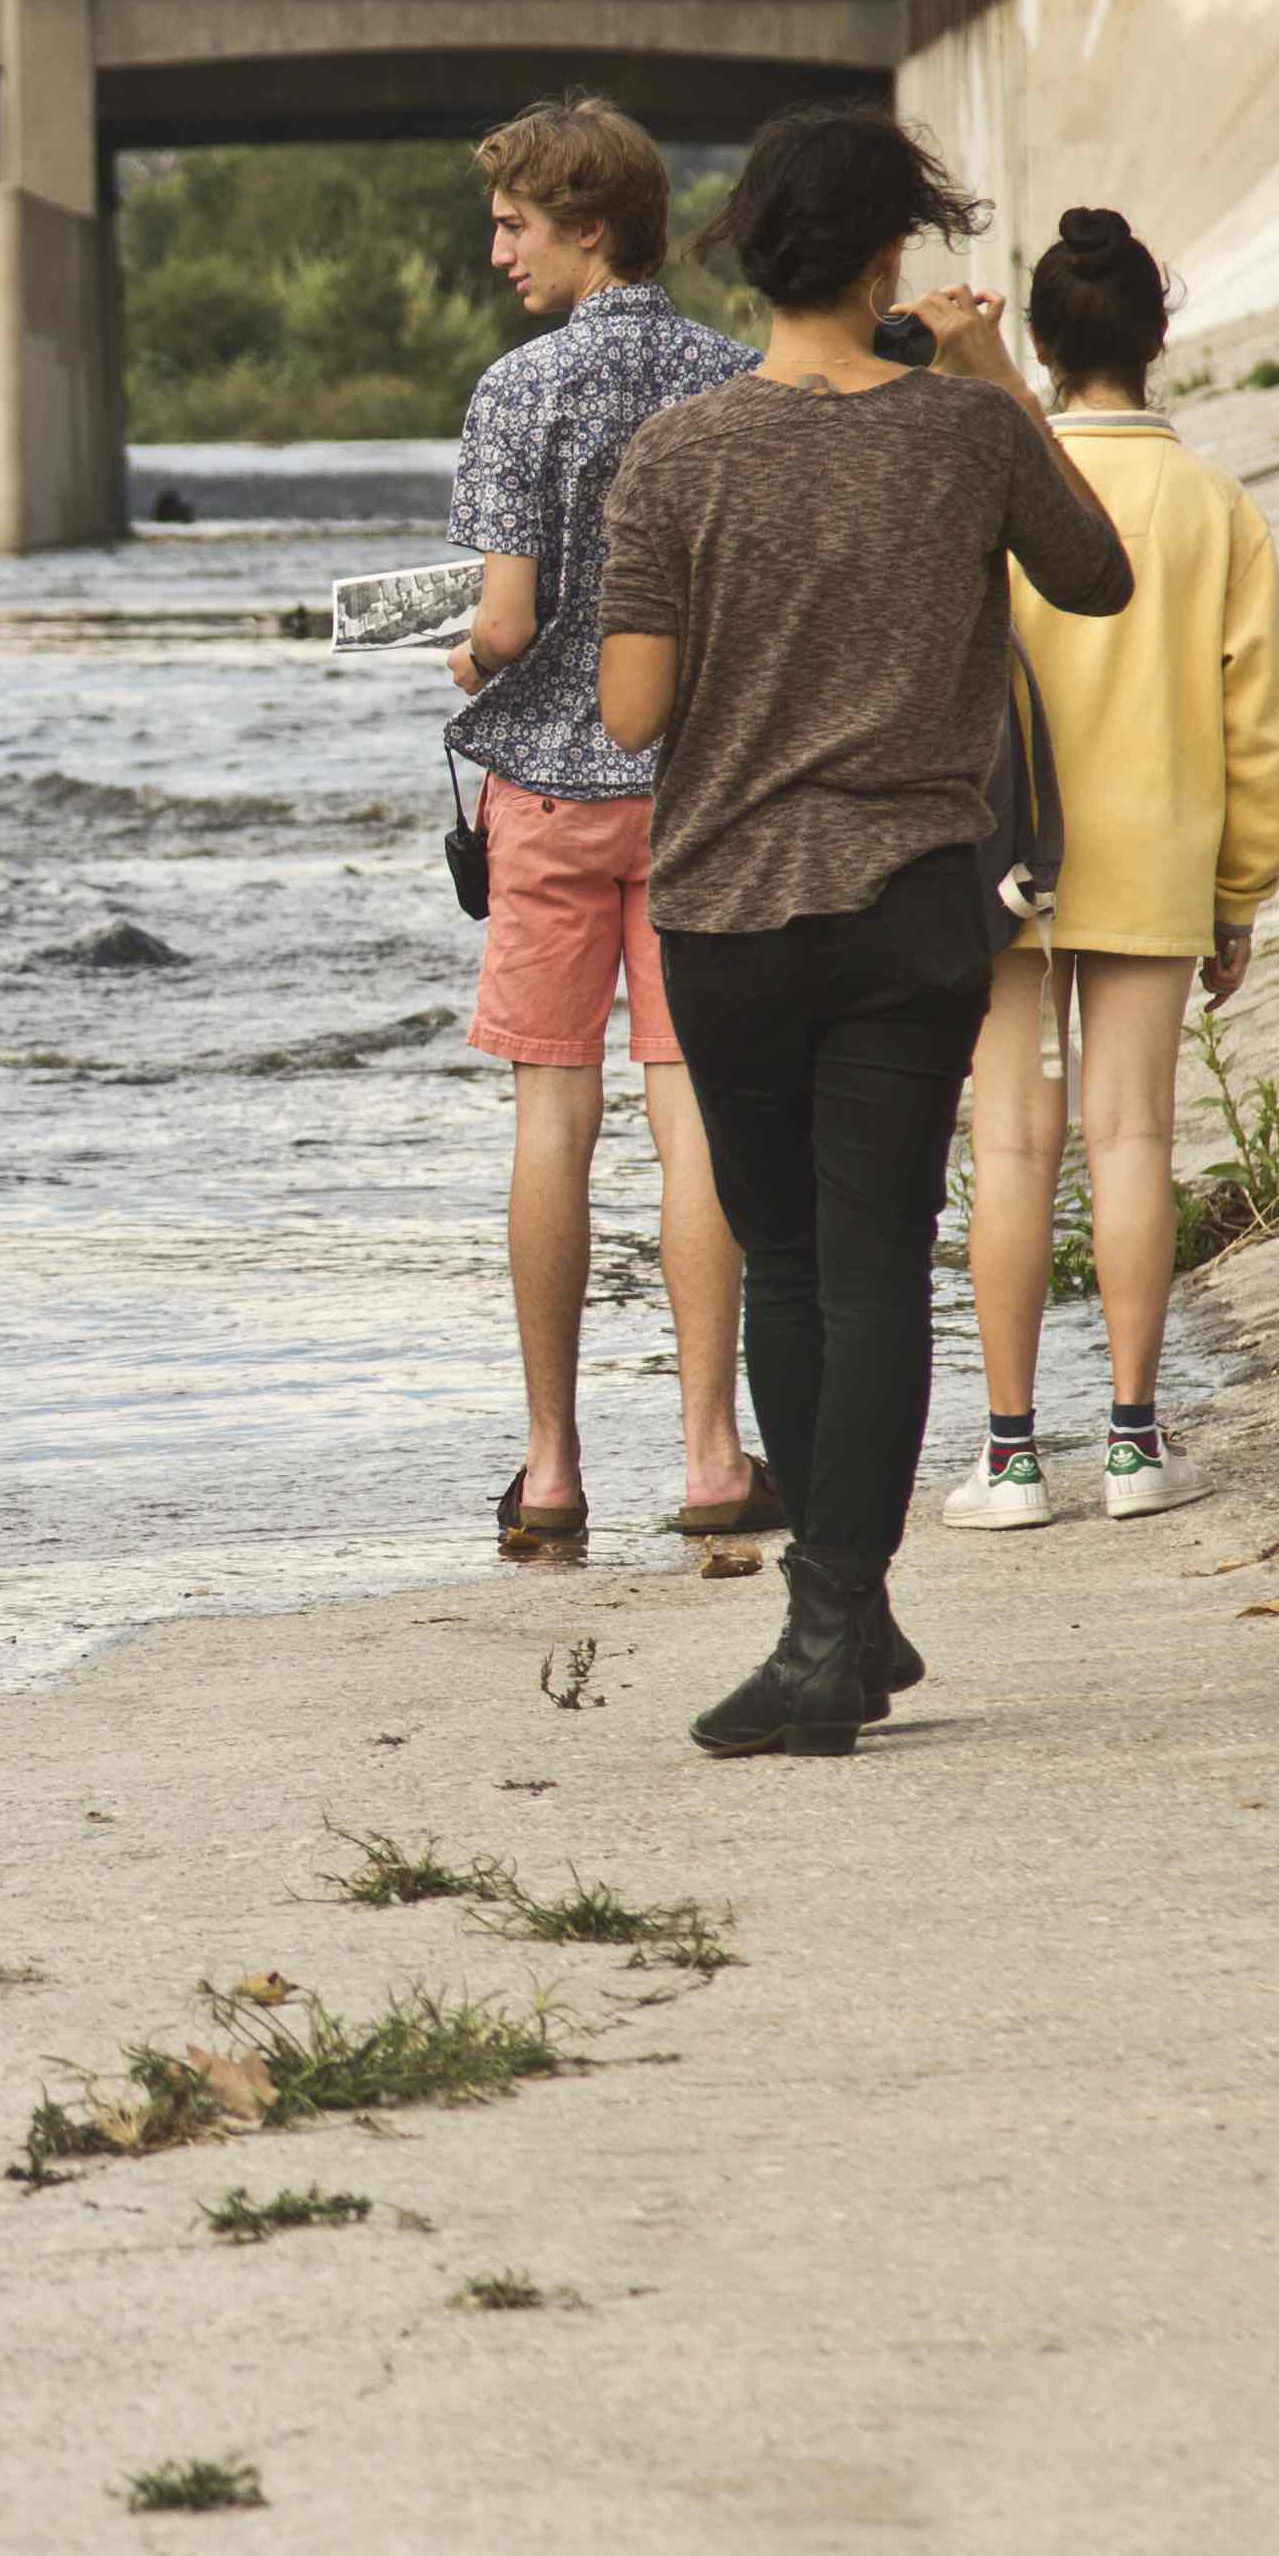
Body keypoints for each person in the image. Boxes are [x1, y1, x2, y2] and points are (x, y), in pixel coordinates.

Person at [595, 105, 1129, 1758]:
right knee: (877, 1253)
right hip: (910, 902)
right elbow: (1094, 576)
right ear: (889, 255)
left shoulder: (674, 457)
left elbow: (628, 715)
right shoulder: (960, 444)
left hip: (726, 912)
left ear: (747, 255)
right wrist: (983, 381)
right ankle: (847, 1602)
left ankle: (825, 1632)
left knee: (785, 1269)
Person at [436, 96, 769, 1547]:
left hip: (552, 803)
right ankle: (712, 1456)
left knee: (552, 1119)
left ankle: (555, 1465)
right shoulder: (734, 374)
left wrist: (464, 654)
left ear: (590, 226)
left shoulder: (519, 391)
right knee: (692, 1114)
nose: (498, 251)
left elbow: (506, 622)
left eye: (515, 225)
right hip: (698, 789)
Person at [940, 209, 1279, 1533]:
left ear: (1037, 343)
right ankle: (1139, 1444)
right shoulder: (1213, 503)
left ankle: (1015, 1457)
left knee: (1014, 1146)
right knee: (1136, 1136)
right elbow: (1256, 720)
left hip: (1003, 858)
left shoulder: (993, 479)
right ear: (1158, 339)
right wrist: (1242, 888)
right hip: (1158, 854)